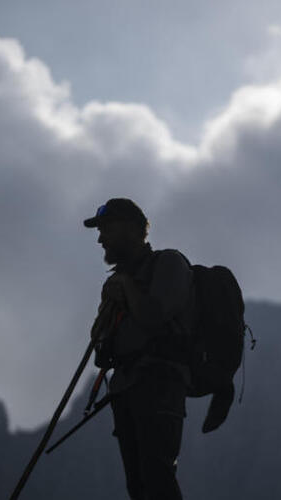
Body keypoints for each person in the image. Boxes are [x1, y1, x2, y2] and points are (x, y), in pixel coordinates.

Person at [83, 197, 194, 500]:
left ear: (131, 229)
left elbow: (154, 316)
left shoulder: (169, 264)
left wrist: (127, 289)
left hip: (159, 384)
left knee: (157, 478)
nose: (100, 239)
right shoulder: (120, 280)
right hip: (126, 389)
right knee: (139, 486)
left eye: (106, 229)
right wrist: (110, 301)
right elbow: (99, 345)